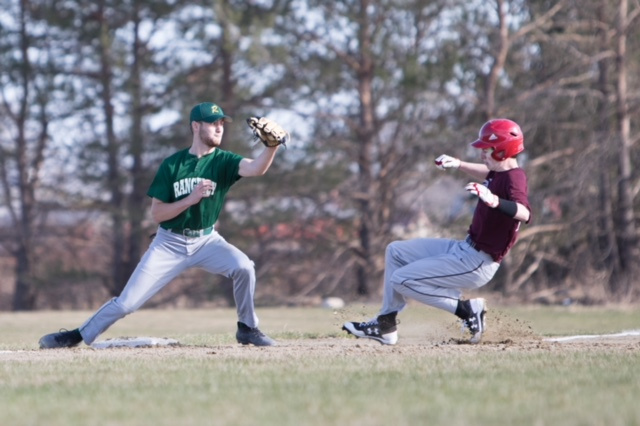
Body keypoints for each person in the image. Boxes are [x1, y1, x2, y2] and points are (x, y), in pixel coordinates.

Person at [39, 102, 282, 348]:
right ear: (196, 126)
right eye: (213, 122)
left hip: (207, 241)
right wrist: (191, 199)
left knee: (244, 267)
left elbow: (255, 168)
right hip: (169, 243)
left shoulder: (225, 161)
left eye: (221, 123)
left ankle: (248, 328)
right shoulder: (172, 165)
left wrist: (270, 147)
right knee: (127, 303)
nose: (219, 128)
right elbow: (157, 214)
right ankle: (76, 335)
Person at [342, 118, 531, 345]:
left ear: (503, 150)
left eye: (487, 149)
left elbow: (524, 213)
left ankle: (467, 310)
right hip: (465, 248)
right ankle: (385, 324)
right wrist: (459, 164)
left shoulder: (514, 177)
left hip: (478, 262)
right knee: (395, 251)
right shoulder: (499, 172)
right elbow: (487, 173)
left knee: (401, 279)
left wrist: (494, 201)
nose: (482, 153)